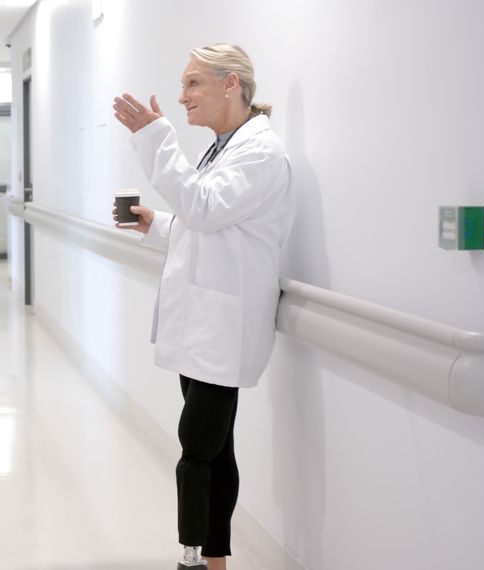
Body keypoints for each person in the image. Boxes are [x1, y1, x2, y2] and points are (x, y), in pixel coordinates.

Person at [112, 44, 295, 570]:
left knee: (197, 445)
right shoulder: (223, 147)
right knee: (217, 448)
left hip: (224, 325)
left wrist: (155, 136)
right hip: (205, 321)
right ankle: (216, 560)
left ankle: (192, 557)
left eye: (193, 83)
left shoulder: (260, 151)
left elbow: (205, 207)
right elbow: (207, 226)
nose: (181, 95)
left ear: (231, 83)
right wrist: (157, 225)